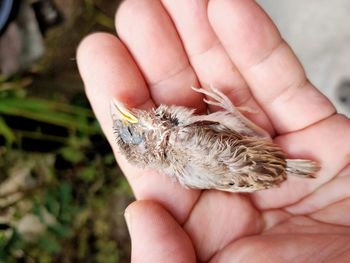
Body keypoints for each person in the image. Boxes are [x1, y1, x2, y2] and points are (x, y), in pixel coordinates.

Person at [77, 0, 350, 261]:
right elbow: (244, 145)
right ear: (148, 141)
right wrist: (229, 107)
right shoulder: (183, 139)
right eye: (135, 127)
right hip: (263, 155)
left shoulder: (179, 169)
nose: (139, 116)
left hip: (262, 166)